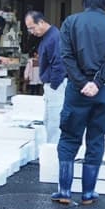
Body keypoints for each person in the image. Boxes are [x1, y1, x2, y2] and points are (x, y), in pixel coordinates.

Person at [53, 0, 105, 205]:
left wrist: (82, 82)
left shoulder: (70, 22)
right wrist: (98, 81)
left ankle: (64, 191)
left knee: (69, 137)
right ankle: (88, 193)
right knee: (96, 139)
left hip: (77, 90)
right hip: (103, 91)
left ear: (84, 1)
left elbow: (66, 56)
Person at [24, 10, 67, 144]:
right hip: (52, 84)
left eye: (32, 28)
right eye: (29, 29)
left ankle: (53, 150)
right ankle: (50, 148)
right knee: (49, 120)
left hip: (56, 84)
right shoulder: (48, 36)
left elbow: (59, 64)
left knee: (54, 121)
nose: (32, 32)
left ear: (41, 22)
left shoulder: (54, 37)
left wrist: (53, 85)